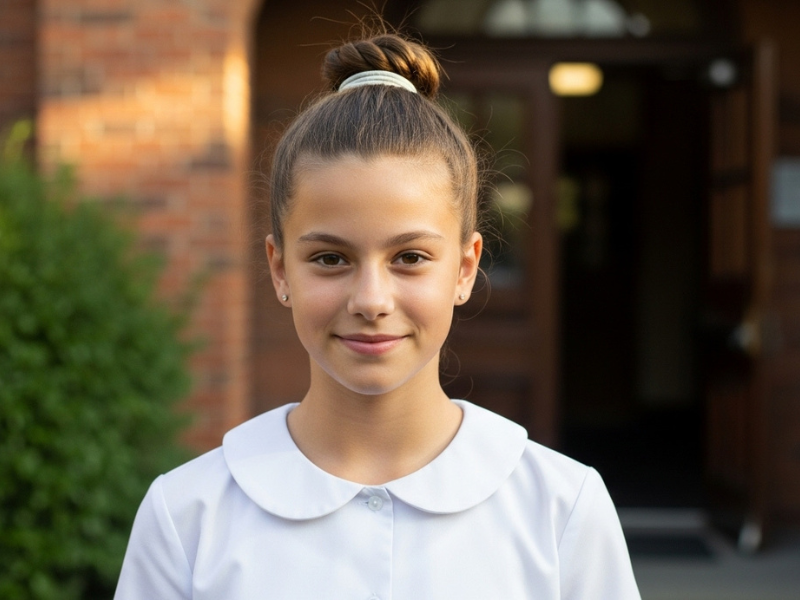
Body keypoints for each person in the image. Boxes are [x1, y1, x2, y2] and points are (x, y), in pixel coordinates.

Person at [114, 30, 641, 600]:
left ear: (464, 269)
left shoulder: (561, 509)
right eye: (330, 258)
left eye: (410, 257)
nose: (371, 299)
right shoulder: (187, 517)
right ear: (280, 268)